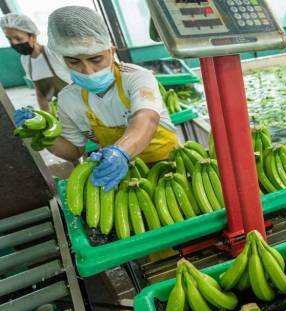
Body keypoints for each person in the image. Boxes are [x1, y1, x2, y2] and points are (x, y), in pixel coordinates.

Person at [16, 6, 178, 191]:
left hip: (169, 167)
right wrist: (42, 134)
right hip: (119, 178)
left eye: (96, 59)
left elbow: (146, 118)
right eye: (74, 61)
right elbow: (74, 151)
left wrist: (120, 152)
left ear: (111, 51)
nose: (87, 70)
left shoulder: (137, 78)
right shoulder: (69, 99)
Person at [1, 13, 71, 114]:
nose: (14, 43)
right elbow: (40, 93)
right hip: (62, 109)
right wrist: (46, 115)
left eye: (18, 38)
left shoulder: (53, 53)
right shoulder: (25, 60)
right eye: (9, 39)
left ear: (33, 36)